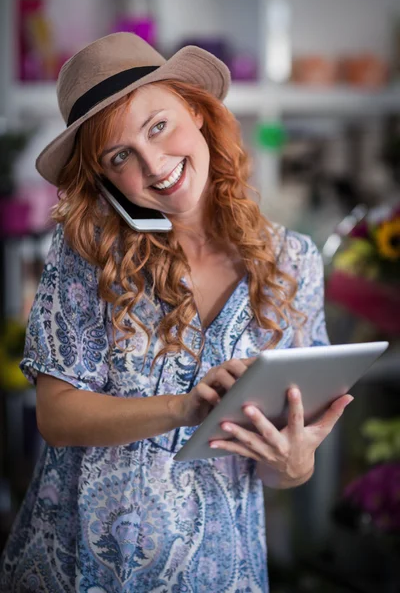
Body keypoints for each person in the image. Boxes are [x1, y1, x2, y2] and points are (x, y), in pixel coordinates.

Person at [0, 32, 353, 593]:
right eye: (121, 157)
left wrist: (292, 464)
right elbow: (56, 416)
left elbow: (283, 458)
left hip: (224, 572)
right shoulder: (89, 255)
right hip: (81, 570)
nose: (155, 164)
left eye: (158, 126)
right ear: (105, 179)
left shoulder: (294, 263)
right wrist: (184, 407)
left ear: (193, 106)